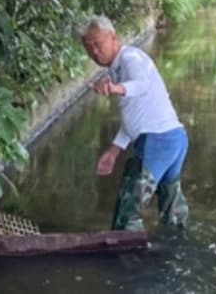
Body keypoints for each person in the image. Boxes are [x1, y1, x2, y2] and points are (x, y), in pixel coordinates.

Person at [77, 15, 189, 231]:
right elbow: (136, 115)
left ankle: (125, 262)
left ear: (113, 37)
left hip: (157, 141)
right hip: (175, 138)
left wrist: (115, 89)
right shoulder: (118, 67)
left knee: (127, 213)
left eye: (98, 44)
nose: (94, 52)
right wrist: (113, 151)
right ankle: (180, 250)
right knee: (173, 213)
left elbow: (141, 84)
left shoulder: (131, 58)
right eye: (88, 48)